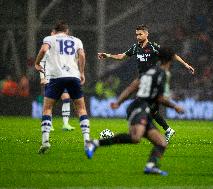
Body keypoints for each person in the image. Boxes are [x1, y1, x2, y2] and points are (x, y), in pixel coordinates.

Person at [85, 47, 184, 175]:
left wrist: (118, 102)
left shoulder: (149, 71)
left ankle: (151, 166)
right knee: (135, 137)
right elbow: (160, 98)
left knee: (161, 142)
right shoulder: (164, 74)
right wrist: (175, 106)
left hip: (142, 108)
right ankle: (94, 143)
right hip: (140, 107)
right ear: (171, 60)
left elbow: (132, 87)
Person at [98, 24, 195, 143]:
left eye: (140, 34)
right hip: (142, 80)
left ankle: (145, 131)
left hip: (152, 81)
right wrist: (108, 55)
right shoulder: (135, 47)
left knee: (144, 107)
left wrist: (185, 64)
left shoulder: (153, 47)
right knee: (150, 109)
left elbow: (171, 55)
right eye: (137, 34)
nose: (138, 36)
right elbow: (121, 56)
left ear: (146, 34)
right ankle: (164, 130)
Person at [34, 21, 90, 153]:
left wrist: (37, 63)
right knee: (81, 109)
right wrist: (81, 72)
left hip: (55, 77)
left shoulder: (49, 39)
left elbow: (43, 49)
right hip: (73, 76)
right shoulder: (76, 40)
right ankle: (87, 141)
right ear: (67, 31)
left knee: (47, 108)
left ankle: (45, 141)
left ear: (55, 30)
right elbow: (82, 55)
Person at [39, 34, 75, 131]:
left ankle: (66, 124)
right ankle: (48, 124)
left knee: (66, 97)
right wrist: (42, 77)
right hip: (50, 78)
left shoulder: (63, 53)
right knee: (50, 102)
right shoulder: (47, 50)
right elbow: (41, 63)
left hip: (61, 78)